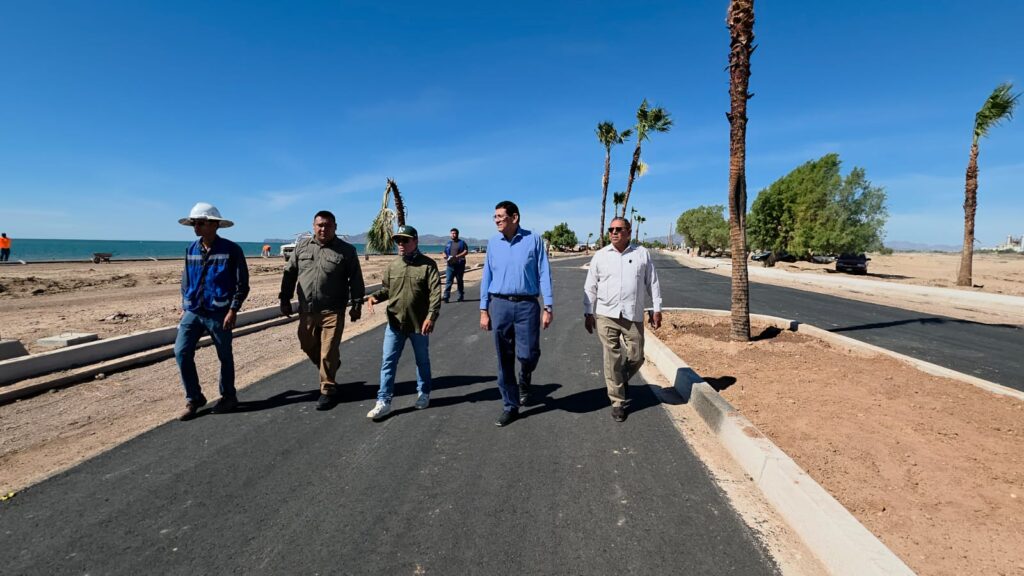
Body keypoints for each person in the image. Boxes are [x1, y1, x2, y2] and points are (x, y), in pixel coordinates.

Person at [279, 210, 365, 410]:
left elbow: (356, 279)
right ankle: (332, 364)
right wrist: (284, 298)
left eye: (327, 225)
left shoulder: (347, 251)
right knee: (307, 344)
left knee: (328, 351)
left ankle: (327, 390)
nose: (323, 229)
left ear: (335, 227)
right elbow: (289, 274)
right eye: (320, 225)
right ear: (313, 226)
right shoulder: (301, 247)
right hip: (307, 310)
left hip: (333, 311)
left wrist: (357, 305)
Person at [479, 200, 553, 427]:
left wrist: (548, 306)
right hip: (500, 305)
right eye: (495, 217)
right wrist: (484, 309)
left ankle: (525, 376)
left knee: (528, 355)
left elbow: (544, 273)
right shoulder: (493, 243)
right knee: (504, 359)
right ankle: (510, 406)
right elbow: (487, 275)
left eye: (501, 216)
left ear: (515, 217)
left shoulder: (533, 239)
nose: (497, 220)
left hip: (527, 306)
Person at [174, 202, 250, 421]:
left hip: (219, 311)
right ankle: (194, 398)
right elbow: (186, 280)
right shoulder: (191, 249)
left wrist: (233, 309)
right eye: (193, 223)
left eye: (200, 223)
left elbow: (241, 284)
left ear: (214, 225)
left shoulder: (231, 250)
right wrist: (184, 305)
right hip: (193, 310)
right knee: (181, 352)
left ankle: (228, 396)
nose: (195, 227)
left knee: (224, 355)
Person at [583, 217, 662, 422]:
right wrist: (587, 312)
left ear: (628, 231)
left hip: (632, 314)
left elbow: (652, 282)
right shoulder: (600, 256)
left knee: (637, 355)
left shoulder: (641, 254)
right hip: (606, 314)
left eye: (619, 229)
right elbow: (590, 286)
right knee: (612, 357)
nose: (614, 232)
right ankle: (618, 401)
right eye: (611, 229)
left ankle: (619, 379)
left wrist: (657, 308)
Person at [365, 225, 442, 420]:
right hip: (395, 324)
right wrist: (374, 297)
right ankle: (383, 401)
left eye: (405, 240)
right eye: (398, 240)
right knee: (388, 362)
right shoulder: (392, 266)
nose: (400, 244)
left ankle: (423, 394)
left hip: (419, 324)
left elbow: (435, 294)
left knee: (422, 361)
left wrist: (431, 317)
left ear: (415, 241)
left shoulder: (428, 265)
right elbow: (387, 290)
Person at [442, 227, 469, 303]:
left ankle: (461, 296)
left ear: (457, 234)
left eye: (454, 233)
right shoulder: (448, 243)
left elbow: (466, 251)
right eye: (452, 233)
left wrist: (458, 256)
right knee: (448, 281)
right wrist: (444, 255)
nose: (453, 235)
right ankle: (446, 297)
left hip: (459, 266)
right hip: (450, 266)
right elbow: (444, 252)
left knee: (459, 281)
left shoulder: (462, 243)